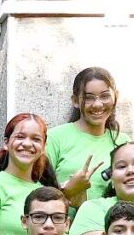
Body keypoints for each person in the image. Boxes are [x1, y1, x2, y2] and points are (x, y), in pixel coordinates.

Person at [47, 65, 122, 194]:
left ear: (116, 97)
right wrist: (69, 192)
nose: (97, 104)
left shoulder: (123, 141)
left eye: (105, 96)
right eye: (88, 98)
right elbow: (37, 192)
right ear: (75, 101)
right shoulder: (54, 138)